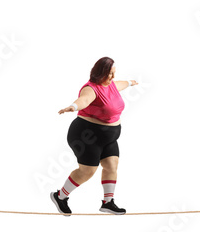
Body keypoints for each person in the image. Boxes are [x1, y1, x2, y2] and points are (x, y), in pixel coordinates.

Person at [51, 57, 138, 216]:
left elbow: (120, 84)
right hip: (87, 135)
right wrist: (73, 107)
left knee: (112, 166)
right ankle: (60, 196)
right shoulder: (91, 89)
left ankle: (108, 202)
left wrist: (131, 82)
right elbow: (84, 100)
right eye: (109, 74)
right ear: (100, 73)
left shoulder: (111, 84)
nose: (112, 77)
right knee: (87, 171)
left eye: (114, 74)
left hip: (109, 137)